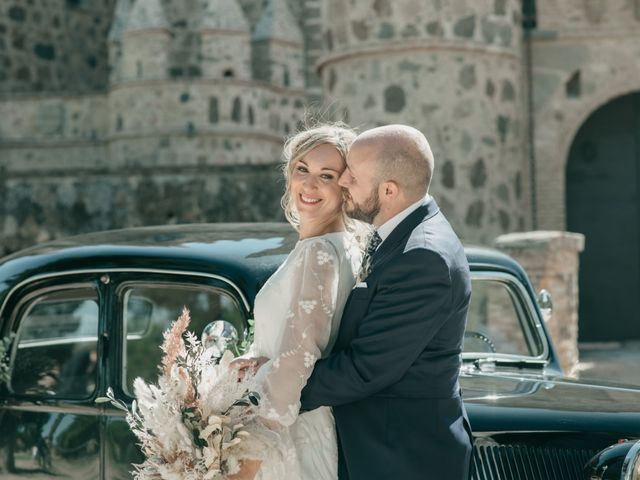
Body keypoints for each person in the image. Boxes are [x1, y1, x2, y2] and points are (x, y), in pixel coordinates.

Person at [298, 124, 474, 480]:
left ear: (389, 190)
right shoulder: (402, 234)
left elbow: (366, 369)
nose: (343, 181)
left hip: (403, 458)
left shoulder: (424, 257)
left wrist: (268, 389)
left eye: (353, 176)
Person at [229, 124, 361, 480]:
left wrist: (253, 452)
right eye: (302, 169)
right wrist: (258, 362)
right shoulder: (338, 246)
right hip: (299, 418)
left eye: (327, 175)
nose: (310, 184)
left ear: (345, 188)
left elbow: (299, 357)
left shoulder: (320, 251)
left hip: (288, 430)